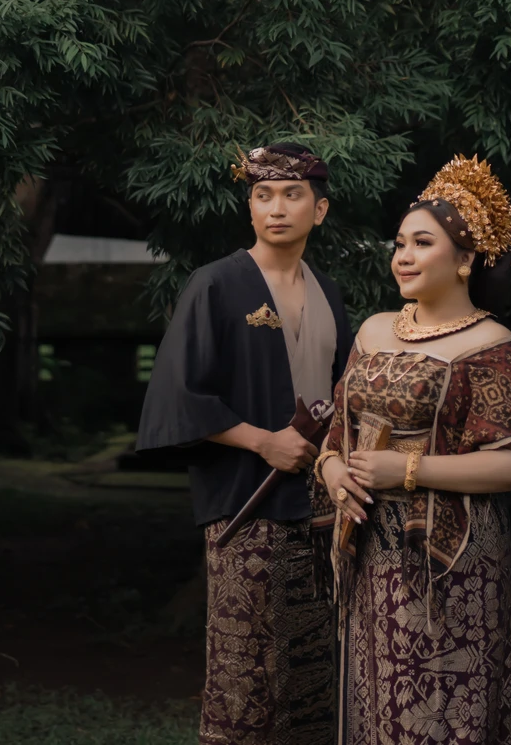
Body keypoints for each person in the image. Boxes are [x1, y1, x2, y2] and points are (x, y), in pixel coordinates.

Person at [315, 155, 511, 745]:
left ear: (465, 260)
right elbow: (335, 437)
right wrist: (334, 472)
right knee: (376, 702)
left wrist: (407, 469)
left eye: (422, 243)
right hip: (370, 549)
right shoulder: (373, 330)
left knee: (440, 711)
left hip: (450, 558)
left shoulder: (490, 344)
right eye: (399, 244)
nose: (404, 256)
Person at [136, 142, 352, 745]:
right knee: (250, 678)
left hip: (324, 511)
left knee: (315, 676)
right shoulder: (216, 284)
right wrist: (263, 443)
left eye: (292, 195)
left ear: (320, 210)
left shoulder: (329, 292)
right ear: (250, 207)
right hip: (247, 507)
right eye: (262, 195)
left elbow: (343, 396)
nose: (275, 208)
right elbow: (177, 395)